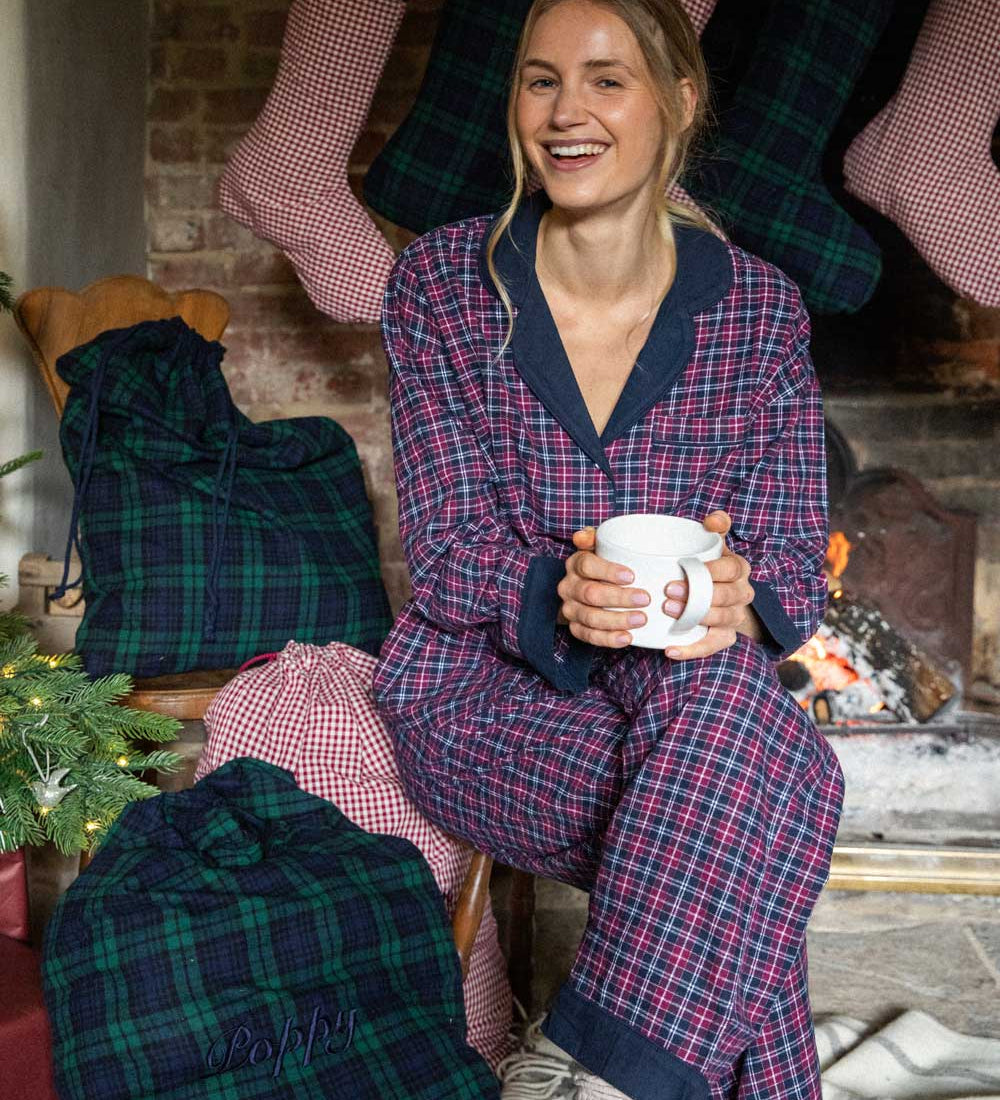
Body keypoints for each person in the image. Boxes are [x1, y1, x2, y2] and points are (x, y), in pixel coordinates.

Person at [371, 1, 846, 1097]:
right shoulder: (443, 286)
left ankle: (589, 1072)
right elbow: (443, 548)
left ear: (680, 102)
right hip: (482, 703)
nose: (565, 112)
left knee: (732, 753)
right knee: (777, 781)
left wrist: (742, 593)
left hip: (684, 696)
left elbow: (782, 556)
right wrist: (555, 591)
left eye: (605, 80)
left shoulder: (761, 312)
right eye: (540, 81)